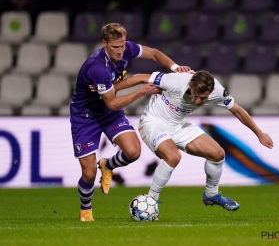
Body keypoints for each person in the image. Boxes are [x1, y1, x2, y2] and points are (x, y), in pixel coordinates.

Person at [70, 22, 190, 222]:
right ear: (104, 43)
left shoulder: (127, 49)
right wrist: (141, 90)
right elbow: (113, 104)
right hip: (86, 116)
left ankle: (108, 165)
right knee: (89, 173)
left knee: (133, 151)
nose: (120, 51)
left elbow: (154, 54)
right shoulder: (97, 67)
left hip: (107, 112)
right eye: (115, 47)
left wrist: (175, 68)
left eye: (122, 46)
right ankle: (86, 209)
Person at [110, 70, 274, 215]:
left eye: (204, 98)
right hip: (153, 122)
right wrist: (111, 90)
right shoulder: (175, 81)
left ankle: (211, 194)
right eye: (197, 96)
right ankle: (151, 200)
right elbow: (140, 78)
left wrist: (259, 133)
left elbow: (237, 110)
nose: (199, 101)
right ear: (191, 85)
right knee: (173, 157)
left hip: (178, 125)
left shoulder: (216, 91)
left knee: (217, 154)